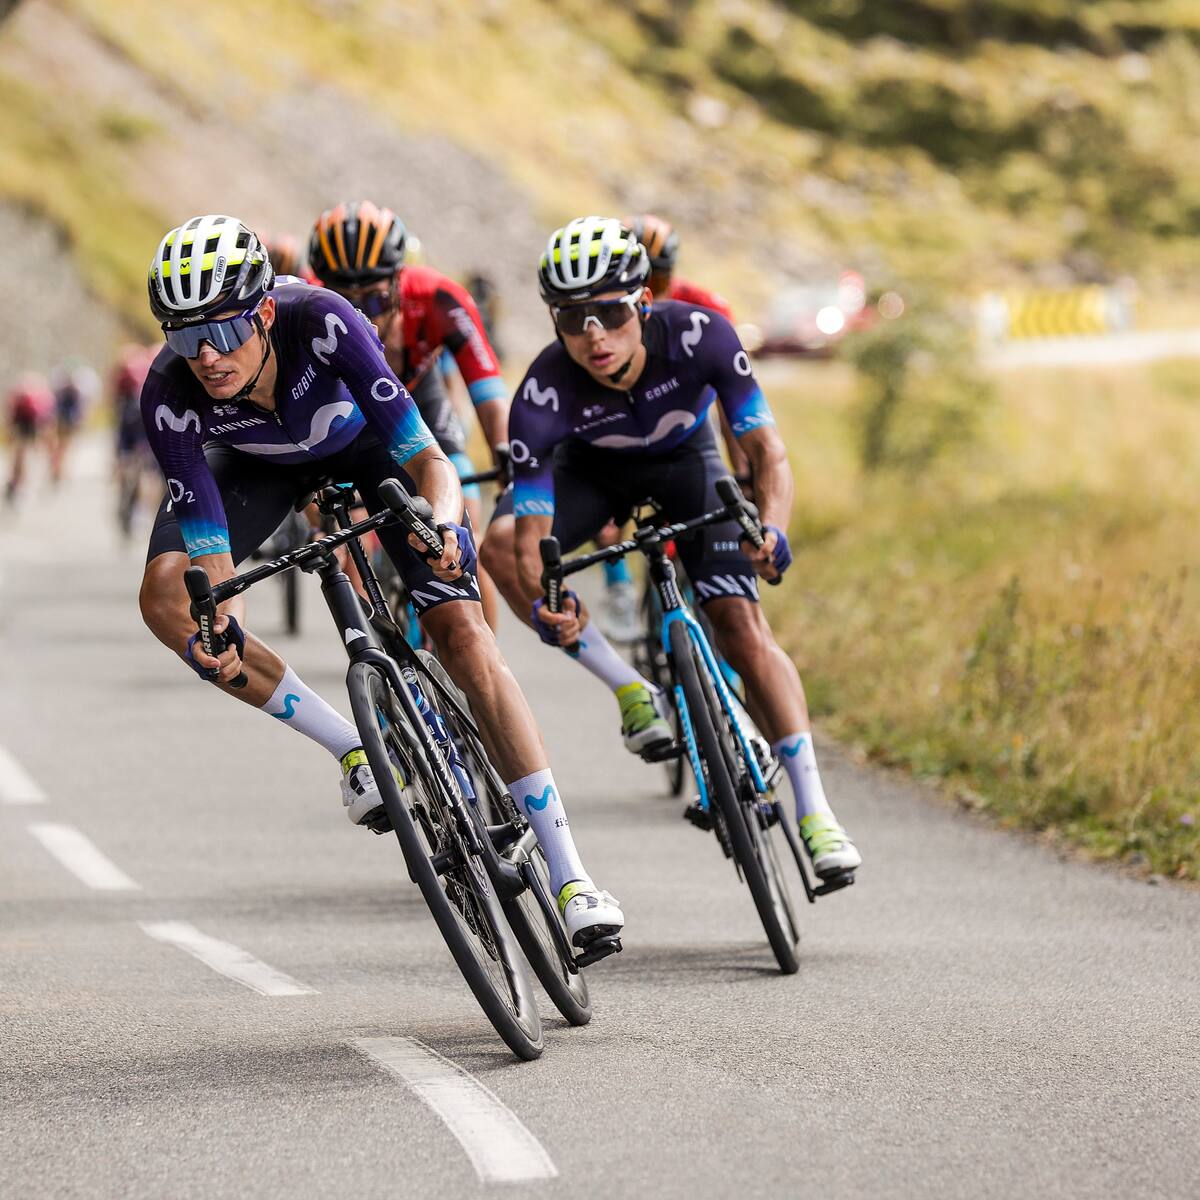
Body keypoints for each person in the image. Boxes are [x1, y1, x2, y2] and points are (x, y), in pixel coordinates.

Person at [137, 213, 622, 947]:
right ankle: (353, 746)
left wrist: (447, 526)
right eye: (183, 335)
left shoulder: (325, 323)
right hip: (263, 468)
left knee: (463, 635)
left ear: (265, 312)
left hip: (367, 450)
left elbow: (426, 457)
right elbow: (207, 540)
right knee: (169, 599)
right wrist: (216, 620)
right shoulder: (170, 390)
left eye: (226, 331)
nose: (206, 355)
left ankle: (571, 874)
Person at [479, 216, 860, 879]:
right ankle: (628, 688)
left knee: (741, 626)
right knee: (504, 545)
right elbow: (534, 528)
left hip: (689, 463)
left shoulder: (699, 336)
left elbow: (767, 450)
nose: (593, 334)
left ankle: (815, 809)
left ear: (643, 302)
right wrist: (550, 597)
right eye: (572, 319)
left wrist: (772, 528)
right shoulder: (541, 392)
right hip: (591, 474)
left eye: (609, 311)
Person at [307, 202, 508, 628]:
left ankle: (486, 658)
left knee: (464, 520)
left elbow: (486, 386)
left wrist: (504, 453)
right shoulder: (302, 307)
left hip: (421, 405)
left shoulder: (438, 298)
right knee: (346, 533)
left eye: (378, 298)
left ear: (400, 281)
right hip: (351, 417)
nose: (364, 313)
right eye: (343, 299)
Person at [5, 371, 53, 505]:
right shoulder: (36, 396)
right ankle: (20, 484)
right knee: (24, 456)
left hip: (26, 427)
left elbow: (12, 415)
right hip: (29, 427)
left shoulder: (23, 396)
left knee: (21, 455)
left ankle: (19, 484)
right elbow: (44, 418)